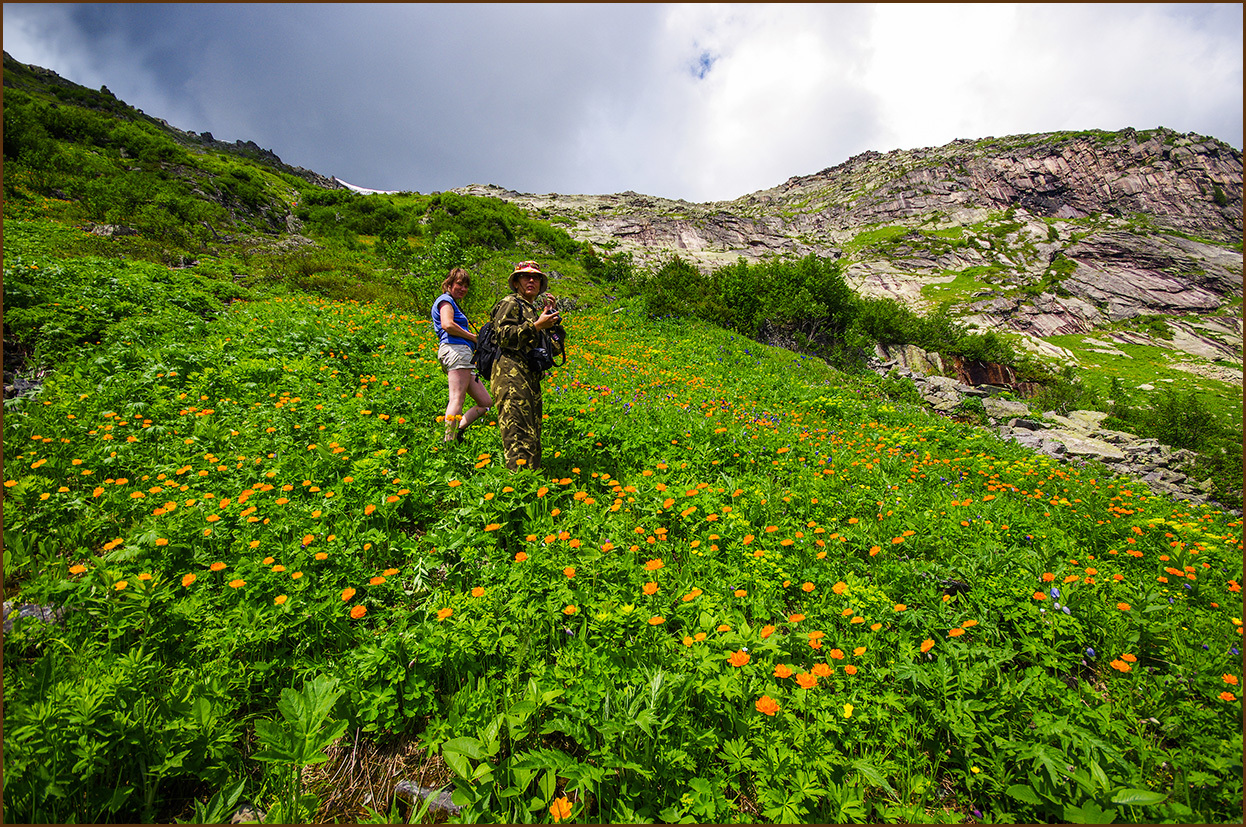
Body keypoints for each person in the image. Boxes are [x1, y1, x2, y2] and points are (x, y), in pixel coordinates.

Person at [491, 260, 561, 470]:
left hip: (529, 376)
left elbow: (553, 349)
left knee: (531, 431)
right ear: (516, 282)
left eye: (536, 277)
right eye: (525, 276)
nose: (531, 280)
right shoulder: (510, 303)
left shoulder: (532, 309)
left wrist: (550, 320)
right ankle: (518, 485)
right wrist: (537, 325)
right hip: (510, 375)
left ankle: (531, 479)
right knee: (517, 431)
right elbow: (503, 336)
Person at [433, 268, 492, 442]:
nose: (463, 289)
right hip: (456, 350)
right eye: (459, 284)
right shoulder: (445, 300)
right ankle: (448, 443)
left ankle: (456, 431)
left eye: (466, 286)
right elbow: (447, 325)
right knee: (457, 399)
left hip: (461, 353)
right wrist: (473, 337)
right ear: (449, 284)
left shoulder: (452, 302)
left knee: (485, 402)